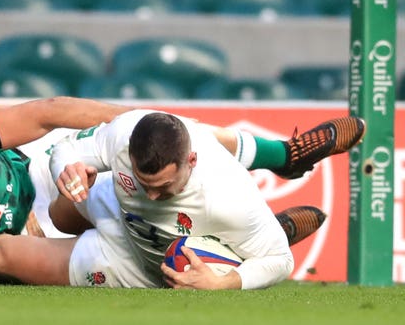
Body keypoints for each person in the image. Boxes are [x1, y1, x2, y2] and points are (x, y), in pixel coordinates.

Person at [0, 96, 357, 285]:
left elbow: (46, 114)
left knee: (162, 134)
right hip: (31, 242)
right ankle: (239, 248)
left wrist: (134, 125)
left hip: (41, 173)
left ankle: (284, 157)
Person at [48, 110, 365, 289]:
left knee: (4, 256)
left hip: (150, 265)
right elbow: (66, 145)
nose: (153, 195)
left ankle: (282, 164)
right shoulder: (125, 134)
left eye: (164, 185)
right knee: (57, 215)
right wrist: (67, 169)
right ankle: (283, 157)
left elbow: (281, 261)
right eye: (147, 183)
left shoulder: (230, 197)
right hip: (119, 206)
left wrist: (224, 283)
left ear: (192, 162)